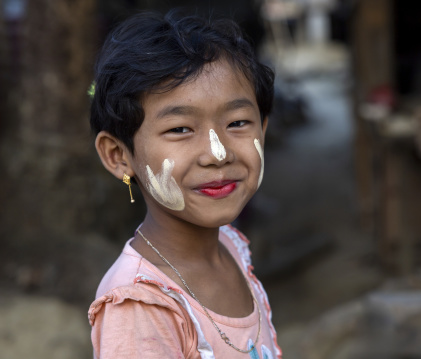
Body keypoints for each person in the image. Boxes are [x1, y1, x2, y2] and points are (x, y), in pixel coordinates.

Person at [87, 10, 281, 359]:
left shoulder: (231, 248)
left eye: (238, 122)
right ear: (118, 155)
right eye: (180, 129)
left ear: (263, 131)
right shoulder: (140, 308)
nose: (217, 153)